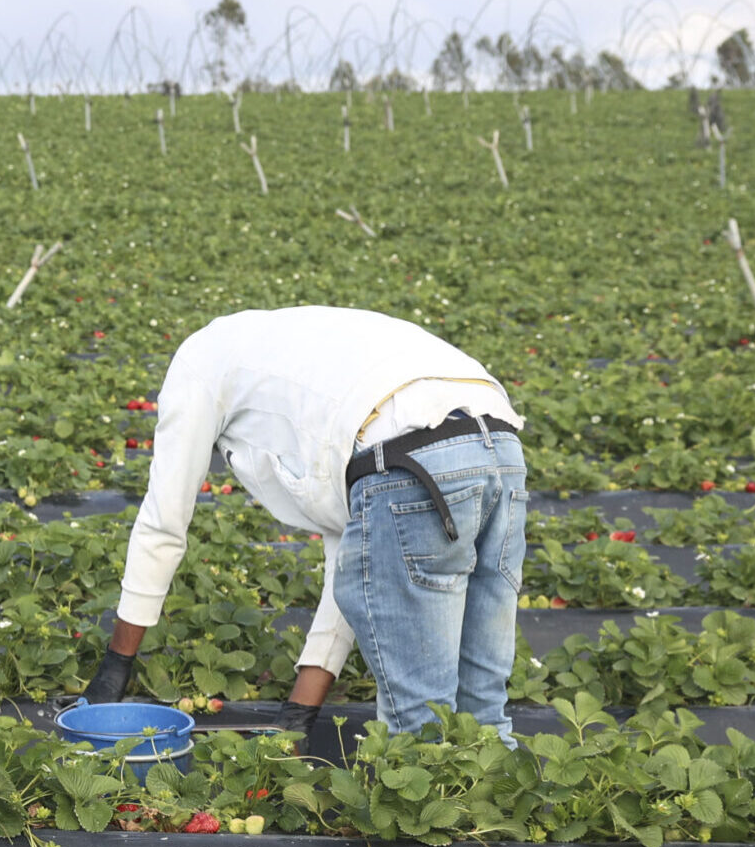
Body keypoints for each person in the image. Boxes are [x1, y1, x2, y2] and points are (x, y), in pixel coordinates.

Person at [82, 306, 525, 750]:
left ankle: (440, 814)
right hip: (499, 443)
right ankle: (498, 809)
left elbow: (164, 521)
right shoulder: (309, 361)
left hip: (408, 458)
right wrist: (298, 715)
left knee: (419, 730)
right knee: (483, 713)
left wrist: (114, 669)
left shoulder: (199, 363)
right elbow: (353, 557)